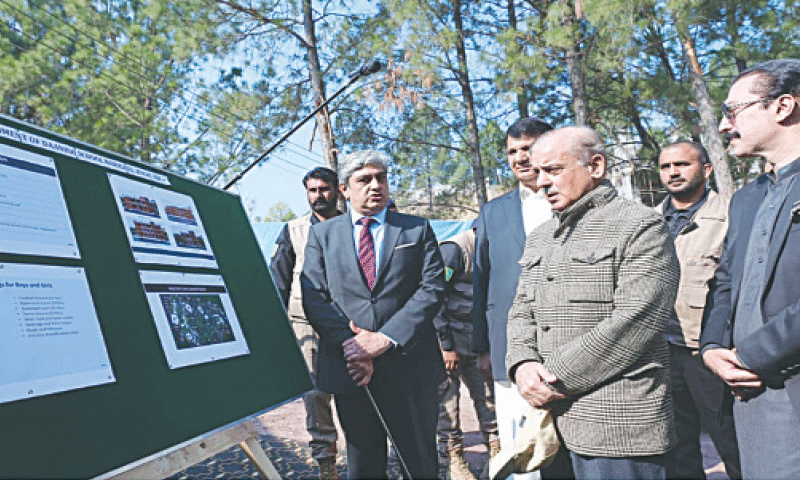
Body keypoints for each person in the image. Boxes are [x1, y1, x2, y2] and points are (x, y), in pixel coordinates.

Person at [506, 126, 679, 480]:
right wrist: (522, 363)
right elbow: (522, 308)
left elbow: (637, 319)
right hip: (553, 429)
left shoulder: (640, 225)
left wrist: (550, 378)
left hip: (617, 428)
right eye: (537, 173)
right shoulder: (542, 236)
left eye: (553, 170)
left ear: (596, 166)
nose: (541, 182)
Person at [301, 150, 446, 479]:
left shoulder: (415, 229)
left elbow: (432, 288)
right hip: (350, 370)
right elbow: (315, 295)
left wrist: (384, 339)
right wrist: (355, 346)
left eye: (381, 178)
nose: (375, 185)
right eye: (364, 179)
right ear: (344, 190)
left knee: (419, 463)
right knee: (363, 462)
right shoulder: (323, 235)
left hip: (410, 365)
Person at [701, 58, 800, 479]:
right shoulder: (745, 198)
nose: (724, 126)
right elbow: (724, 282)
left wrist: (754, 354)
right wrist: (712, 349)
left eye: (732, 110)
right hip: (751, 397)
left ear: (782, 106)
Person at [472, 116, 554, 480]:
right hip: (509, 347)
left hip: (568, 342)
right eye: (512, 151)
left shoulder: (573, 199)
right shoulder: (493, 212)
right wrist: (482, 347)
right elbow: (481, 281)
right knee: (519, 446)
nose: (520, 158)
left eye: (528, 149)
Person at [655, 141, 741, 479]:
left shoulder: (731, 214)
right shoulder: (649, 221)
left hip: (708, 352)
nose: (673, 172)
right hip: (661, 353)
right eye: (665, 167)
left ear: (706, 169)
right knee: (678, 451)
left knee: (731, 442)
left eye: (682, 164)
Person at [269, 166, 342, 480]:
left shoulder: (353, 225)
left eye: (324, 189)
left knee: (358, 392)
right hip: (306, 323)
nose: (318, 196)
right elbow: (279, 280)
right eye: (312, 190)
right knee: (315, 395)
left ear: (337, 189)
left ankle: (364, 457)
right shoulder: (294, 230)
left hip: (348, 323)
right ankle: (326, 463)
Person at [435, 223, 499, 480]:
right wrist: (446, 346)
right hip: (447, 337)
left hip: (475, 338)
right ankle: (453, 459)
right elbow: (435, 297)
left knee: (487, 398)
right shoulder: (454, 251)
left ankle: (496, 451)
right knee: (447, 402)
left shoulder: (492, 249)